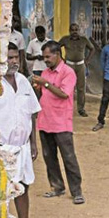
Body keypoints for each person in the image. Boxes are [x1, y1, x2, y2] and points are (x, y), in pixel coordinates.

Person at [0, 43, 47, 218]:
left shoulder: (23, 81)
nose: (14, 61)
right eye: (9, 58)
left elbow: (32, 113)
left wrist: (33, 144)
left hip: (22, 146)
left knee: (22, 186)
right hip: (0, 147)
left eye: (16, 57)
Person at [31, 41, 85, 205]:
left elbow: (63, 94)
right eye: (44, 57)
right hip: (45, 120)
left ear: (57, 55)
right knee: (49, 157)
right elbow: (42, 92)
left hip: (61, 122)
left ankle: (76, 191)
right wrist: (38, 87)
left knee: (68, 157)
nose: (45, 60)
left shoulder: (68, 72)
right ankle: (57, 186)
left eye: (48, 56)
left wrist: (44, 83)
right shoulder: (46, 73)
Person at [58, 23, 95, 117]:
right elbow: (56, 47)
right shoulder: (65, 39)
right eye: (73, 30)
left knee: (81, 88)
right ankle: (67, 108)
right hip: (68, 66)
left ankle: (81, 109)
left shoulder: (84, 40)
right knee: (68, 88)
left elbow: (92, 49)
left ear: (79, 30)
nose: (75, 32)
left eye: (76, 29)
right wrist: (61, 59)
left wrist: (87, 60)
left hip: (80, 66)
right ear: (70, 31)